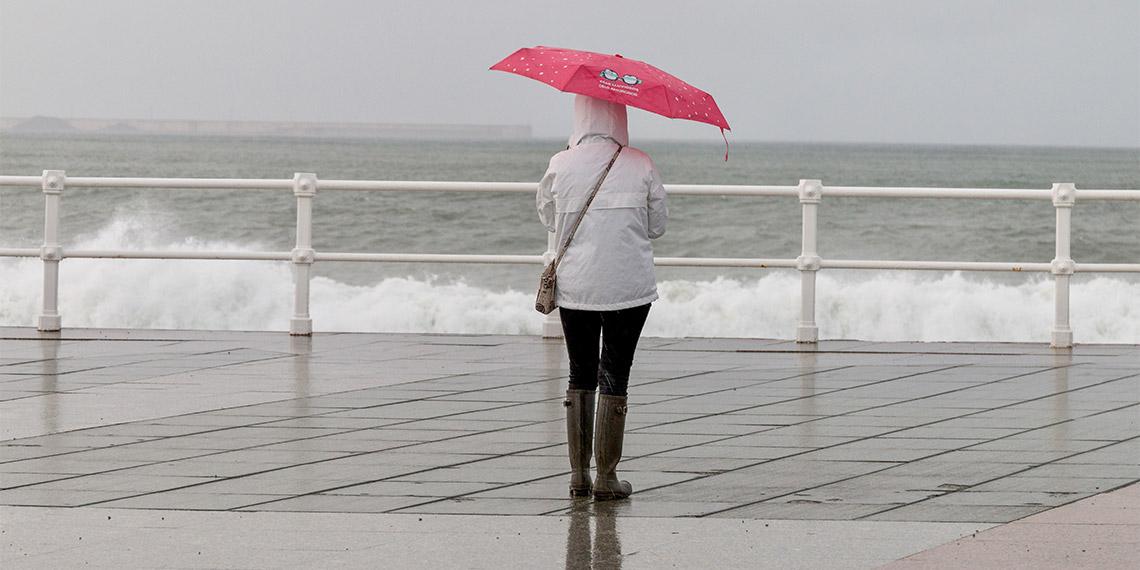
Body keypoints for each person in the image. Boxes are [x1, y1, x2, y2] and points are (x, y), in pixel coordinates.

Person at [537, 94, 667, 500]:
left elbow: (546, 215)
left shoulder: (561, 163)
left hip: (576, 286)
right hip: (629, 286)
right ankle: (608, 478)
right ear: (620, 116)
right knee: (616, 371)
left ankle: (579, 475)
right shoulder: (640, 162)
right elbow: (657, 226)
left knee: (580, 372)